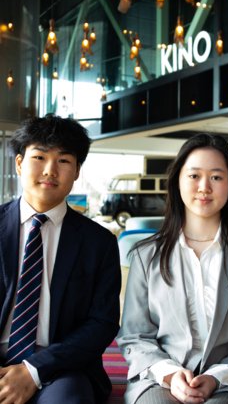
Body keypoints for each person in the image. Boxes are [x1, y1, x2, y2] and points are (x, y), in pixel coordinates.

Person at [117, 133, 228, 404]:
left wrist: (217, 376)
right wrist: (170, 374)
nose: (204, 187)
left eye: (216, 177)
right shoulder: (146, 256)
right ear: (178, 181)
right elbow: (134, 335)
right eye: (194, 176)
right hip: (160, 378)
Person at [0, 114, 121, 404]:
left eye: (64, 161)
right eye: (39, 157)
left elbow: (102, 323)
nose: (50, 170)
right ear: (19, 163)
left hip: (62, 367)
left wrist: (33, 370)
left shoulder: (99, 242)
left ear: (77, 170)